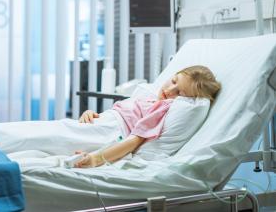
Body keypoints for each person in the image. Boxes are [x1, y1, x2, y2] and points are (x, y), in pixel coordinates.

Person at [74, 65, 221, 168]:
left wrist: (95, 159)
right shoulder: (150, 99)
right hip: (97, 122)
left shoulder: (162, 108)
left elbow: (134, 141)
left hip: (110, 131)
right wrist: (92, 114)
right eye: (174, 81)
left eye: (180, 93)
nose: (170, 90)